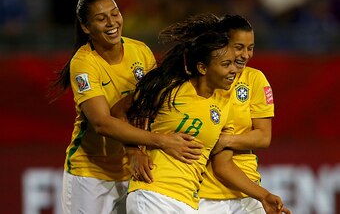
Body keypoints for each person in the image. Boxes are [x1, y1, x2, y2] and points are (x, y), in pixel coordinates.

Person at [48, 0, 204, 214]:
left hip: (134, 169)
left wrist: (138, 150)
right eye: (101, 18)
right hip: (91, 174)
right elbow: (102, 122)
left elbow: (149, 108)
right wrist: (160, 142)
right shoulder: (84, 63)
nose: (112, 23)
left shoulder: (140, 51)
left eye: (115, 14)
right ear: (85, 26)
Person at [118, 16, 289, 214]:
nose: (242, 58)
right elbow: (116, 114)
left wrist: (263, 194)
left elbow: (230, 159)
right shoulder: (172, 88)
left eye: (250, 48)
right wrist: (136, 150)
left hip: (192, 198)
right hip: (159, 192)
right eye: (236, 50)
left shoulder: (223, 106)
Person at [198, 15, 278, 213]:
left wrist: (225, 141)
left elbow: (263, 136)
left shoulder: (255, 79)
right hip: (205, 194)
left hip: (248, 191)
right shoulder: (204, 80)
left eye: (250, 48)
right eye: (239, 47)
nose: (245, 54)